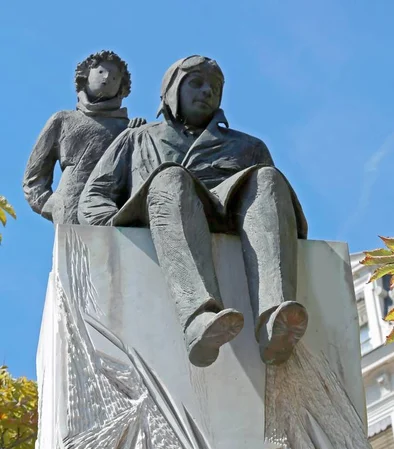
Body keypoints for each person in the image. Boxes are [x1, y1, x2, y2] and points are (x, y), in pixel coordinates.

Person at [79, 55, 308, 368]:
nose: (206, 92)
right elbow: (95, 196)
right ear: (173, 89)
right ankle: (200, 320)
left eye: (214, 87)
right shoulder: (137, 139)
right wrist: (119, 237)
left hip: (228, 217)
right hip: (165, 212)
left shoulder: (248, 146)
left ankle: (275, 321)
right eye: (196, 83)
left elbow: (273, 209)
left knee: (267, 177)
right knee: (170, 177)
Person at [23, 50, 145, 224]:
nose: (107, 78)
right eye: (101, 71)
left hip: (111, 208)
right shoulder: (63, 120)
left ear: (122, 86)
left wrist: (139, 135)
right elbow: (34, 177)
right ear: (86, 75)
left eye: (114, 77)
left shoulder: (128, 128)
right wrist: (50, 204)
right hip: (70, 204)